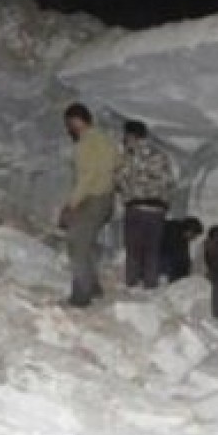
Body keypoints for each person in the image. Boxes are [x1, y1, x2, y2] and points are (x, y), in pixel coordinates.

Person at [58, 103, 120, 307]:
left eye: (69, 124)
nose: (69, 129)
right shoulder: (105, 140)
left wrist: (70, 204)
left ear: (76, 121)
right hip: (105, 199)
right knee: (86, 242)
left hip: (92, 199)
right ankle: (93, 287)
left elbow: (87, 176)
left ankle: (81, 295)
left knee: (77, 244)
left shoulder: (87, 142)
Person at [115, 120, 176, 289]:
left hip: (136, 207)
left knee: (133, 250)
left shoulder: (129, 155)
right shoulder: (161, 154)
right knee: (152, 250)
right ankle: (151, 286)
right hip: (157, 209)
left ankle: (132, 284)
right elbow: (170, 182)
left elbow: (119, 180)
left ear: (130, 135)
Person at [159, 216, 204, 282]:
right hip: (161, 262)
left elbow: (184, 257)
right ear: (189, 231)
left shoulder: (180, 235)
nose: (194, 238)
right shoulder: (173, 234)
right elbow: (178, 255)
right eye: (194, 235)